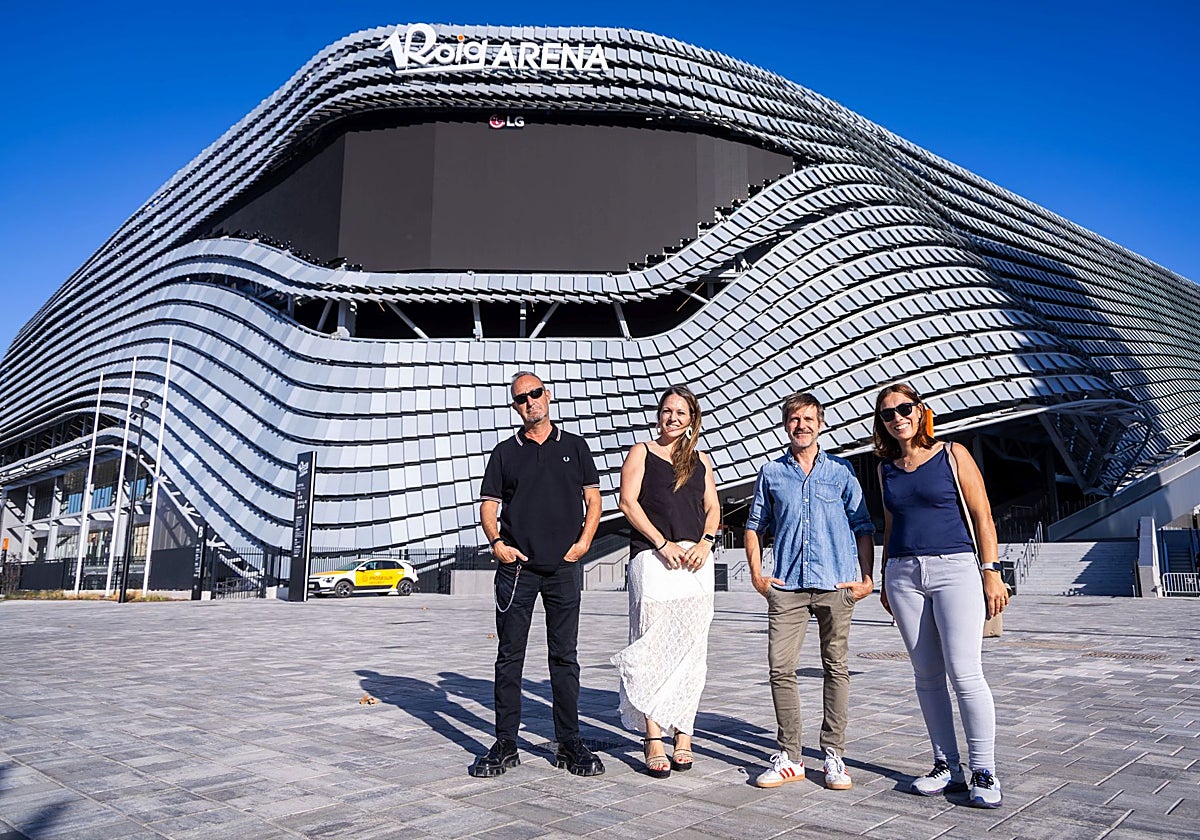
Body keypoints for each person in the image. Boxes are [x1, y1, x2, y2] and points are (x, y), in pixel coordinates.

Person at [873, 382, 1007, 808]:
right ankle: (946, 765)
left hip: (956, 569)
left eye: (904, 408)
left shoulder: (952, 454)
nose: (897, 418)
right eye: (887, 414)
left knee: (965, 672)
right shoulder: (885, 468)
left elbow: (983, 514)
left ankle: (983, 770)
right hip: (903, 574)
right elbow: (891, 524)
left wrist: (991, 571)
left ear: (921, 410)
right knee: (926, 676)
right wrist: (884, 575)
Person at [472, 371, 605, 778]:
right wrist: (497, 543)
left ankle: (569, 742)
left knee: (565, 657)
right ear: (515, 407)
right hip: (517, 571)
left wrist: (583, 544)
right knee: (509, 656)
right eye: (521, 399)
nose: (530, 402)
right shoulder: (504, 453)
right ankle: (505, 743)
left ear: (548, 396)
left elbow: (594, 500)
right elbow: (488, 507)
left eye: (535, 393)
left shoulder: (576, 447)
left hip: (563, 568)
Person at [745, 392, 875, 790]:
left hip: (837, 585)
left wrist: (866, 578)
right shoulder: (771, 472)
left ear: (821, 424)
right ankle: (791, 756)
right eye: (794, 419)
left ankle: (833, 754)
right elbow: (754, 526)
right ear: (785, 425)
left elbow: (863, 525)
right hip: (787, 587)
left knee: (836, 667)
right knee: (780, 669)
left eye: (808, 419)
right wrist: (757, 576)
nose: (801, 425)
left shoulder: (841, 471)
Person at [612, 385, 720, 778]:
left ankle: (684, 732)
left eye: (680, 412)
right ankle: (653, 736)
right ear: (659, 415)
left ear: (692, 419)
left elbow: (713, 507)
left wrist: (707, 542)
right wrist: (661, 543)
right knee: (650, 644)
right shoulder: (641, 451)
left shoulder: (700, 460)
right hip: (653, 559)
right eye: (666, 411)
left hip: (695, 562)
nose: (672, 417)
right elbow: (628, 502)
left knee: (692, 650)